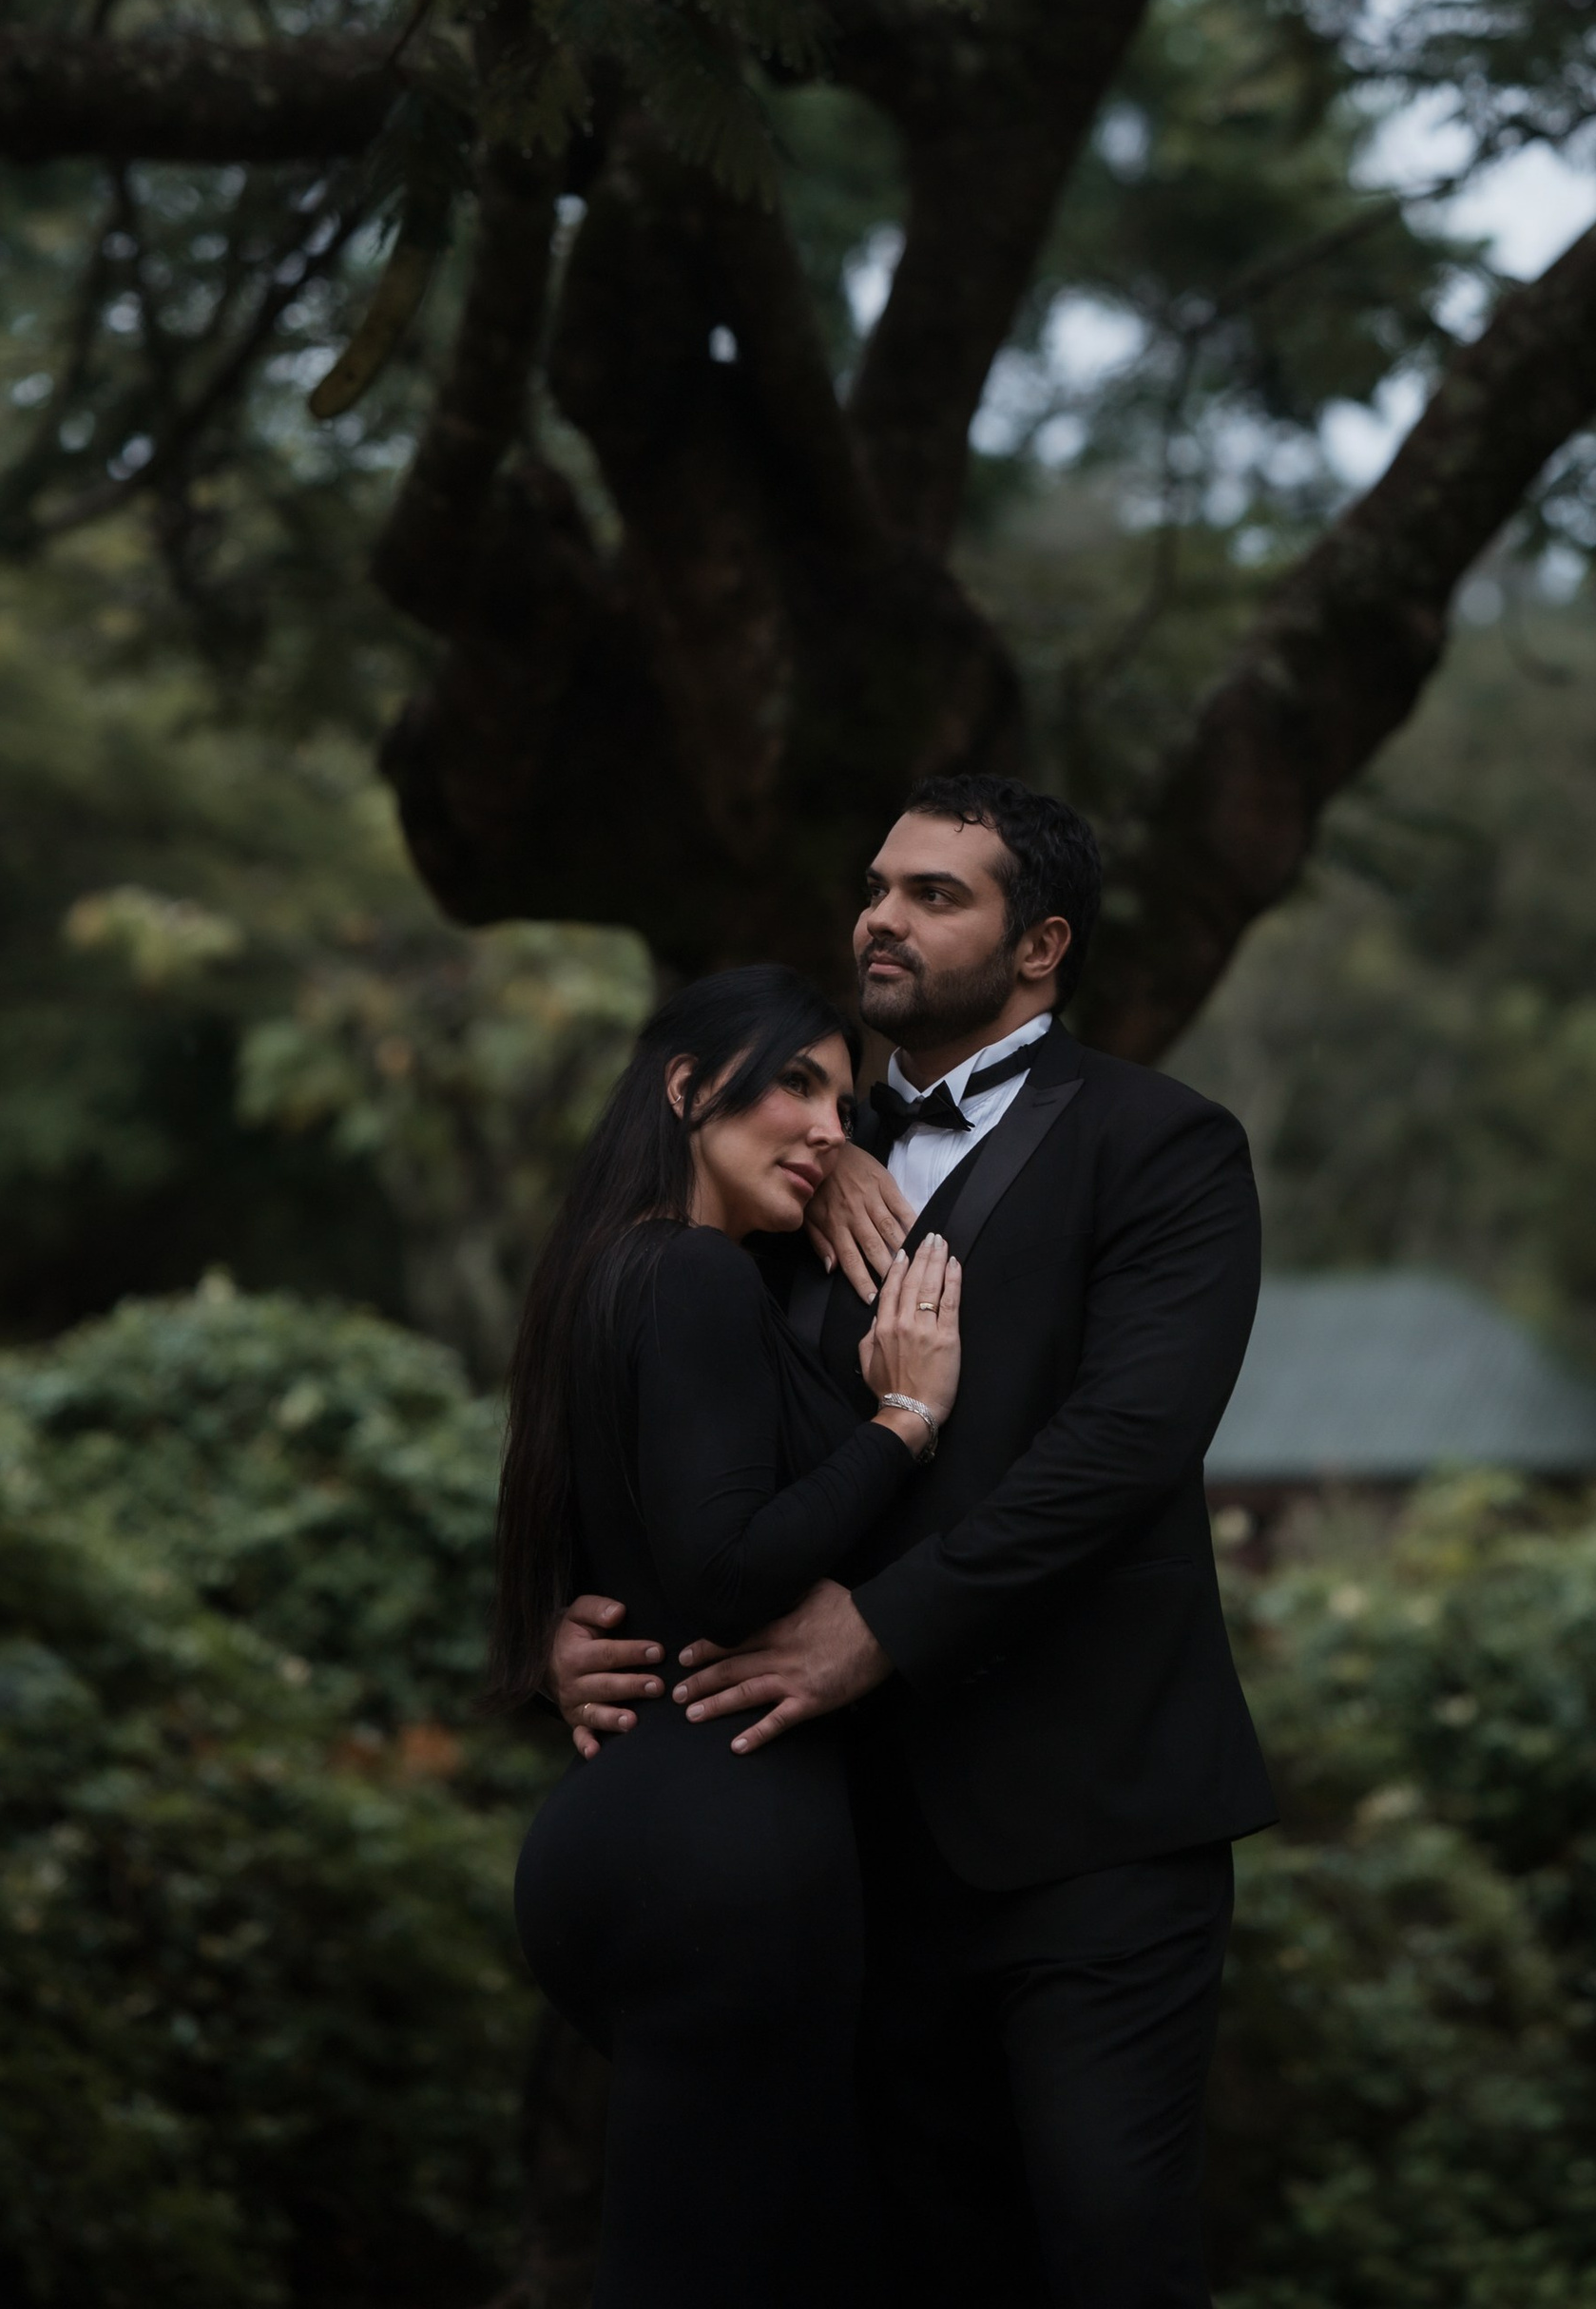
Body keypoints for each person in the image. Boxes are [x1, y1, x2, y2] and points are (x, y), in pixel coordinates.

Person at [549, 776, 1276, 2309]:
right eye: (876, 884)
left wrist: (881, 1622)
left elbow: (1125, 1453)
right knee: (902, 2258)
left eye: (936, 892)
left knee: (1105, 2242)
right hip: (835, 1842)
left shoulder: (1167, 1147)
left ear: (1040, 946)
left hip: (1094, 1820)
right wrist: (578, 1617)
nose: (881, 913)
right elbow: (657, 1417)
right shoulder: (785, 1155)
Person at [493, 962, 964, 2309]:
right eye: (796, 1084)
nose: (830, 1123)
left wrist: (852, 1155)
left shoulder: (604, 1268)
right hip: (724, 1854)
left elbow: (609, 1553)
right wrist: (903, 1423)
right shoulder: (696, 1276)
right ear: (689, 1089)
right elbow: (722, 1564)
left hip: (627, 1827)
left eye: (846, 1092)